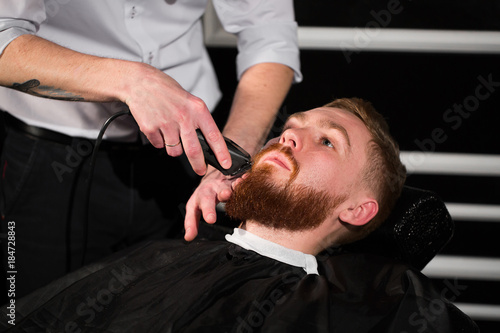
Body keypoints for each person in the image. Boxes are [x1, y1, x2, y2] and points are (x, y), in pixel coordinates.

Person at [0, 98, 478, 332]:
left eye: (327, 141)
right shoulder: (164, 258)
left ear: (358, 209)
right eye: (291, 128)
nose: (288, 137)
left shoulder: (345, 310)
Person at [0, 1, 301, 298]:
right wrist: (130, 81)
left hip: (188, 162)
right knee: (39, 307)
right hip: (53, 166)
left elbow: (269, 35)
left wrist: (233, 151)